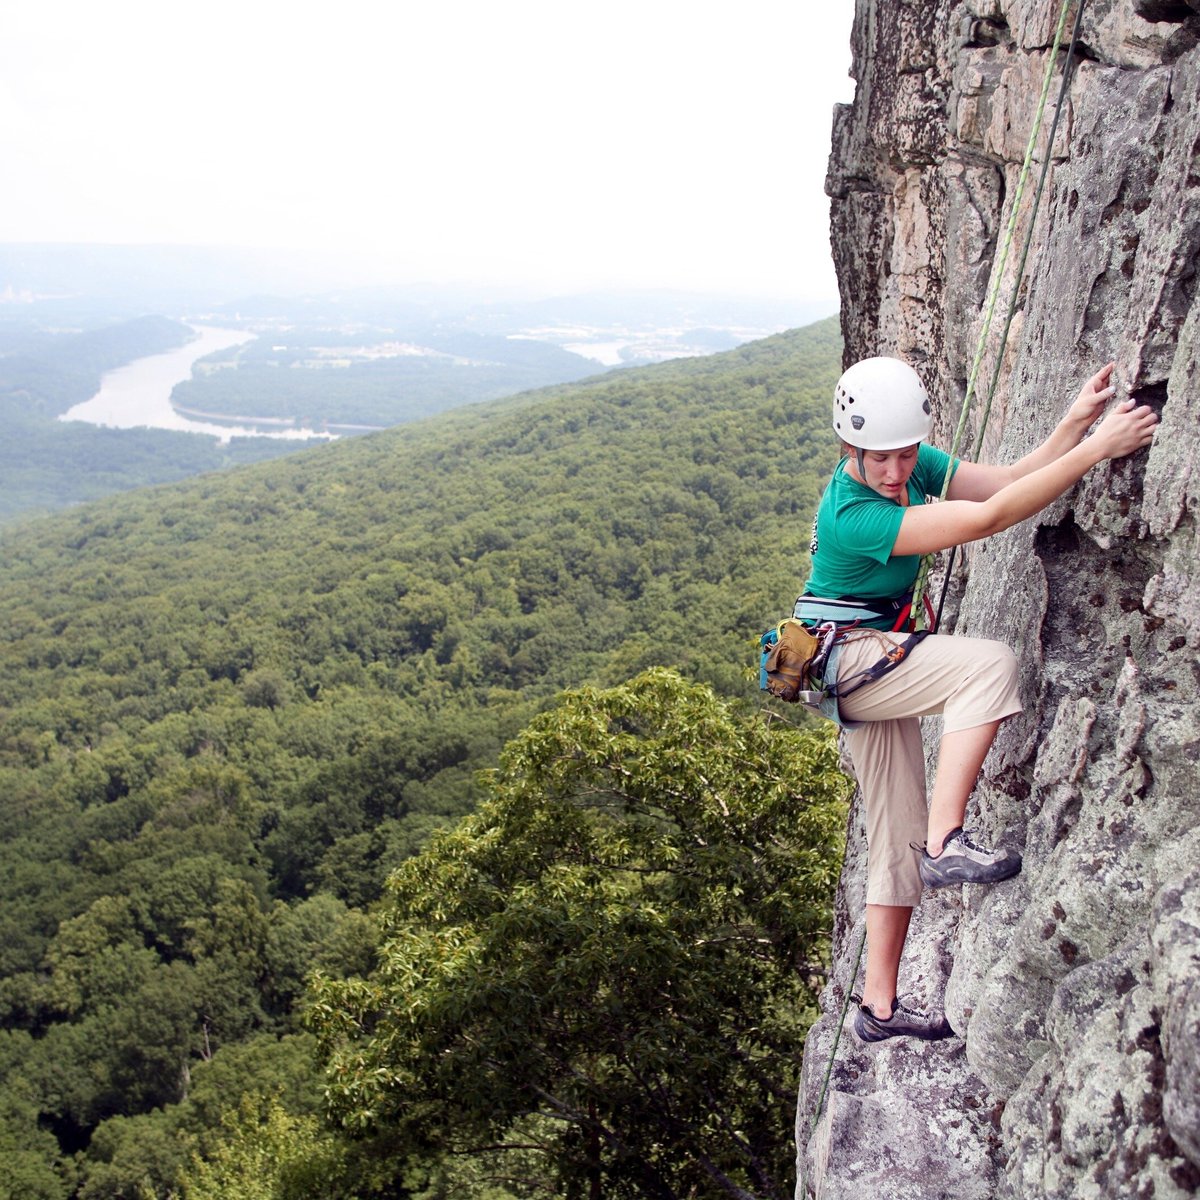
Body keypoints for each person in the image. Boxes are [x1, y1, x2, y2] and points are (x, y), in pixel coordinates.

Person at [796, 356, 1159, 1043]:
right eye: (880, 460)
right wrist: (1097, 451)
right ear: (850, 449)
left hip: (857, 659)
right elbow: (991, 518)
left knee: (891, 836)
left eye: (905, 456)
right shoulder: (853, 517)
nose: (897, 473)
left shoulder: (908, 460)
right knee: (988, 666)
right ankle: (947, 840)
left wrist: (1073, 427)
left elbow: (1002, 481)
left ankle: (878, 1010)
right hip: (851, 659)